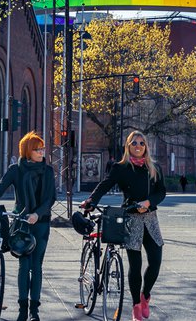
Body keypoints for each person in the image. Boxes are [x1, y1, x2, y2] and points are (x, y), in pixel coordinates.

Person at [81, 131, 166, 321]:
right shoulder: (121, 168)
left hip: (151, 219)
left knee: (156, 261)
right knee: (135, 265)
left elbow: (161, 192)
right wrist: (91, 200)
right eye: (134, 143)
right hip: (131, 219)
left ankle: (146, 295)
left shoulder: (154, 168)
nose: (138, 146)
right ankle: (136, 305)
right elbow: (105, 184)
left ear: (146, 146)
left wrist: (148, 203)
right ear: (128, 146)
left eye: (142, 143)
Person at [0, 131, 56, 321]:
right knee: (24, 265)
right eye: (37, 149)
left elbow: (50, 198)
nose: (41, 152)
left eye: (42, 149)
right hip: (21, 224)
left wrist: (37, 214)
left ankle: (34, 311)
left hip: (41, 223)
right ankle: (22, 309)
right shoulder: (16, 170)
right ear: (27, 151)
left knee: (36, 266)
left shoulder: (48, 171)